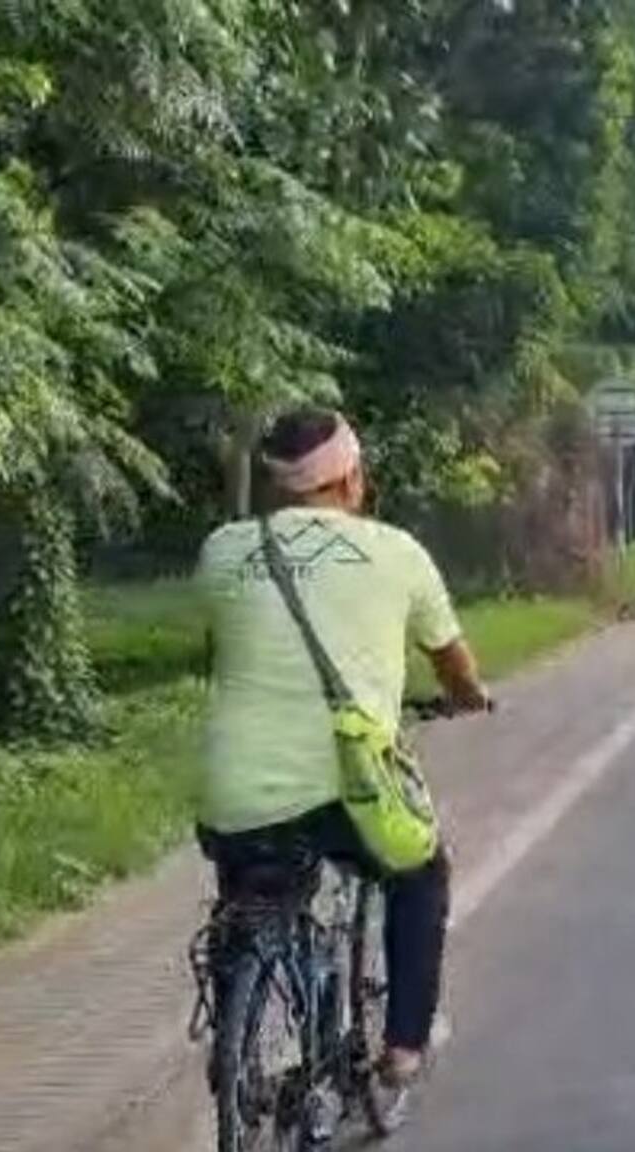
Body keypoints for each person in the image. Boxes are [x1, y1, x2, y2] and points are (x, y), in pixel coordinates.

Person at [194, 406, 489, 1094]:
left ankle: (234, 1043)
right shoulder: (397, 553)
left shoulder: (222, 550)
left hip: (232, 790)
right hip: (348, 791)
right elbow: (457, 668)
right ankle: (405, 1046)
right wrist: (470, 696)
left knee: (251, 882)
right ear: (352, 478)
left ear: (275, 487)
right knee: (420, 873)